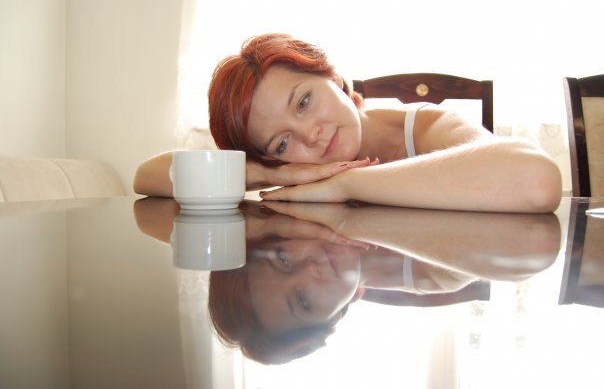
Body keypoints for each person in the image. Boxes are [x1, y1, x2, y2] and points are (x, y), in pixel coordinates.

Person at [134, 33, 562, 213]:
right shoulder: (289, 171)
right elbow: (147, 176)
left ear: (335, 78)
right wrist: (269, 171)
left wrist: (345, 184)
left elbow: (535, 179)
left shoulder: (426, 128)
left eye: (304, 102)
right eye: (281, 143)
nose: (310, 135)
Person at [133, 198, 561, 365]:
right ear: (336, 316)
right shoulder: (437, 274)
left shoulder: (307, 190)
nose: (311, 268)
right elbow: (528, 239)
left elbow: (150, 189)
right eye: (303, 301)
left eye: (282, 258)